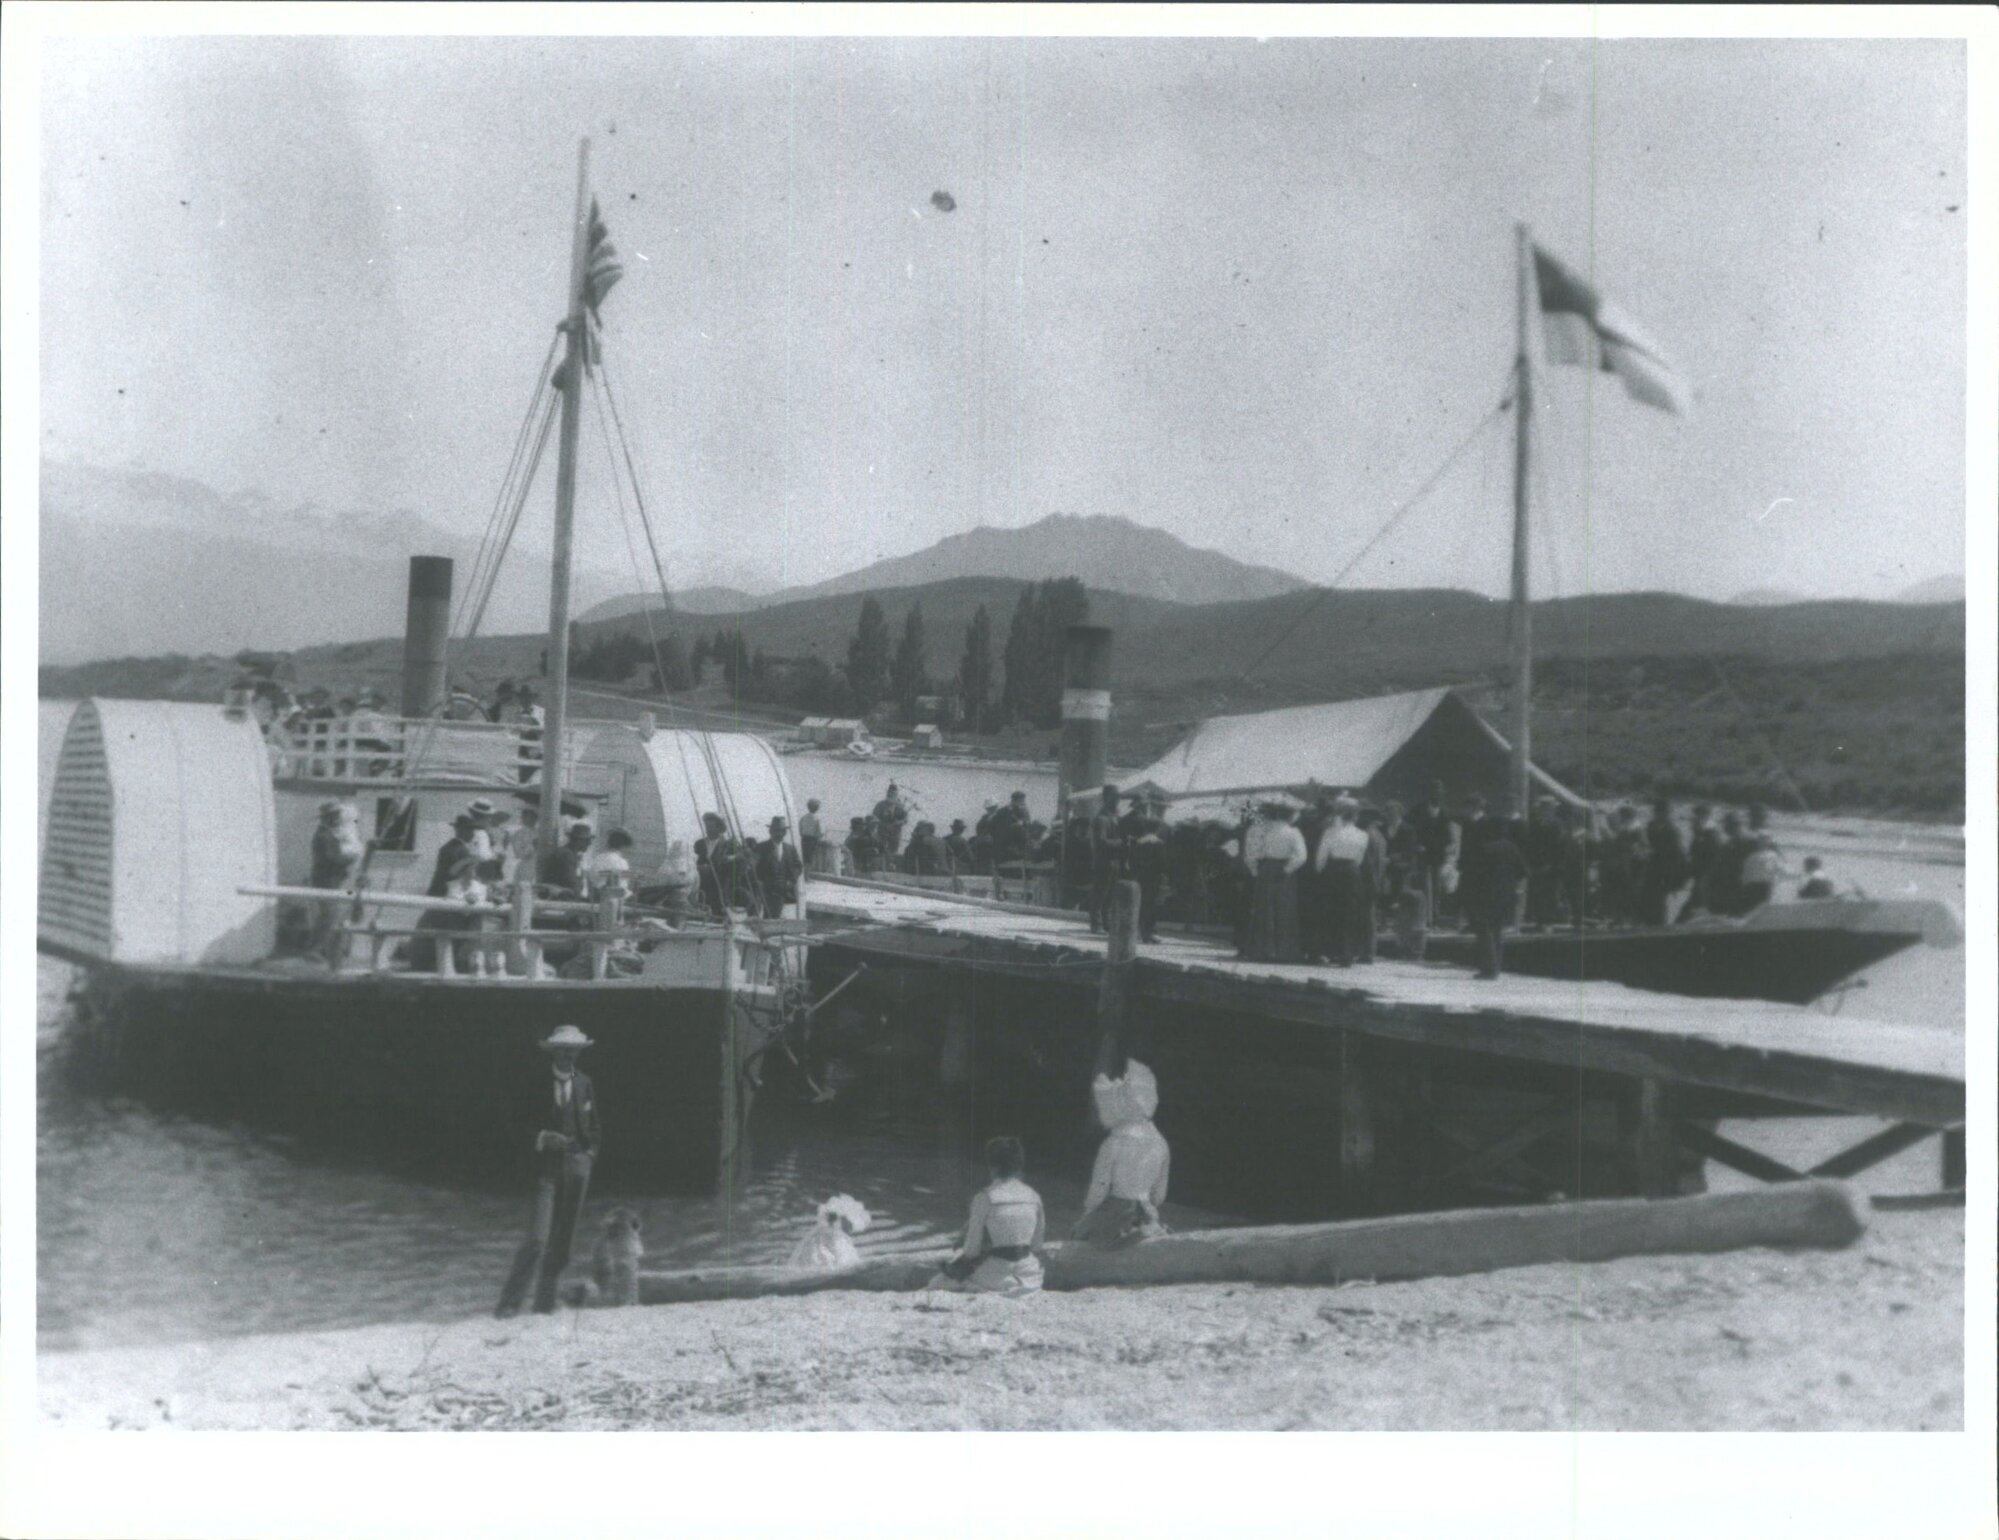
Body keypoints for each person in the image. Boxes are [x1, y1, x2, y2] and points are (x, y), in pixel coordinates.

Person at [496, 1025, 602, 1317]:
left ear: (578, 1054)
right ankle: (509, 1304)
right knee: (537, 1239)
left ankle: (545, 1304)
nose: (568, 1055)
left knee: (563, 1242)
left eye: (573, 1051)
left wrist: (589, 1154)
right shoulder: (534, 1083)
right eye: (563, 1050)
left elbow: (594, 1125)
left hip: (577, 1168)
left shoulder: (584, 1083)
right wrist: (542, 1137)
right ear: (553, 1052)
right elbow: (514, 1124)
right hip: (544, 1169)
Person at [929, 1135, 1046, 1296]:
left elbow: (971, 1251)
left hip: (997, 1277)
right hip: (1030, 1275)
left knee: (936, 1283)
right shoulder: (1034, 1196)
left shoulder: (985, 1198)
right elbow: (1037, 1246)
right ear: (1019, 1165)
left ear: (992, 1166)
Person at [1072, 1060, 1170, 1247]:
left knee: (1078, 1234)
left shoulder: (1113, 1143)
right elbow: (1159, 1196)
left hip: (1118, 1214)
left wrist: (1087, 1216)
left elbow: (1098, 1191)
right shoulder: (1162, 1144)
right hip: (1147, 1214)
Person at [1459, 794, 1526, 979]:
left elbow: (1476, 874)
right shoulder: (1511, 847)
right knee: (1497, 930)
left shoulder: (1484, 849)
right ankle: (1497, 965)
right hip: (1506, 895)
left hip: (1485, 894)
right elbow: (1522, 872)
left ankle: (1489, 968)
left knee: (1484, 930)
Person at [1240, 802, 1308, 962]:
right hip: (1285, 872)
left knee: (1264, 909)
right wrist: (1288, 869)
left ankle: (1261, 950)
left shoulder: (1260, 830)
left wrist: (1255, 871)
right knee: (1285, 909)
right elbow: (1301, 856)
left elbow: (1250, 853)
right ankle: (1284, 952)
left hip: (1266, 868)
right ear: (1291, 816)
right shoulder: (1293, 832)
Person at [1311, 796, 1369, 966]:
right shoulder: (1362, 835)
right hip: (1352, 871)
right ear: (1355, 816)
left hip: (1333, 871)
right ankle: (1346, 954)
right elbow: (1359, 858)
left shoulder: (1330, 832)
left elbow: (1321, 857)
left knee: (1328, 912)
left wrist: (1320, 870)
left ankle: (1325, 952)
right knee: (1350, 913)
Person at [307, 800, 364, 962]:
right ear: (328, 818)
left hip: (330, 879)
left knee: (331, 914)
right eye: (334, 815)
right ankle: (315, 949)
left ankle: (325, 949)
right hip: (326, 880)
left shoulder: (329, 833)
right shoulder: (327, 836)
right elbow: (336, 857)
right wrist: (352, 859)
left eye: (337, 815)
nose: (337, 818)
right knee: (329, 915)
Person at [1408, 780, 1458, 923]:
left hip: (1437, 854)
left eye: (1440, 793)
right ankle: (1423, 915)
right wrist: (1416, 845)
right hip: (1422, 854)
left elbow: (1448, 835)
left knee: (1436, 885)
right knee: (1423, 884)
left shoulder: (1444, 812)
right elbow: (1409, 829)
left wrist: (1448, 846)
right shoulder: (1417, 810)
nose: (1438, 795)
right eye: (1435, 792)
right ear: (1429, 794)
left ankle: (1434, 915)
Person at [1123, 794, 1169, 943]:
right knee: (1151, 905)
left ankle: (1137, 932)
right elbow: (1163, 863)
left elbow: (1131, 860)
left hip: (1139, 877)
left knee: (1140, 904)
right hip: (1154, 878)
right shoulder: (1158, 843)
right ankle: (1148, 933)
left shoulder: (1138, 843)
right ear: (1157, 829)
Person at [1638, 797, 1690, 927]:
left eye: (1666, 812)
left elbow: (1680, 856)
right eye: (1659, 812)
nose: (1663, 815)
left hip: (1666, 873)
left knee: (1661, 907)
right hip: (1651, 871)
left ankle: (1660, 930)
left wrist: (1678, 881)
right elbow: (1647, 844)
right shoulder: (1651, 826)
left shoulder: (1673, 831)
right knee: (1648, 902)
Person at [1085, 786, 1126, 934]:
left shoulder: (1114, 818)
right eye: (1113, 797)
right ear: (1106, 797)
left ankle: (1107, 924)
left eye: (1118, 797)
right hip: (1103, 862)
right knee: (1100, 894)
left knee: (1110, 895)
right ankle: (1096, 925)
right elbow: (1101, 842)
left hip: (1114, 861)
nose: (1117, 800)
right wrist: (1121, 842)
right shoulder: (1101, 819)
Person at [1356, 805, 1389, 964]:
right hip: (1377, 879)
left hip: (1367, 880)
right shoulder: (1380, 836)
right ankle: (1368, 952)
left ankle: (1366, 953)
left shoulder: (1367, 835)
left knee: (1366, 918)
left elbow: (1368, 863)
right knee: (1370, 917)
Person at [1524, 797, 1565, 926]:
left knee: (1551, 892)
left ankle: (1549, 919)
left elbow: (1558, 846)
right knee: (1536, 890)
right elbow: (1530, 844)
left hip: (1552, 863)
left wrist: (1551, 863)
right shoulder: (1534, 824)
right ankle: (1538, 918)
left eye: (1548, 808)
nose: (1545, 810)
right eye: (1543, 808)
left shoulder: (1557, 824)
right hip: (1536, 862)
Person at [755, 816, 803, 916]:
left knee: (782, 920)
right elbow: (753, 866)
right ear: (770, 831)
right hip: (766, 892)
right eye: (776, 831)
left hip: (784, 892)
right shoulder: (761, 847)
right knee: (766, 918)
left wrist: (792, 880)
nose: (779, 834)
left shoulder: (790, 849)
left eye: (782, 831)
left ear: (785, 833)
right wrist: (759, 881)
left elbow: (798, 866)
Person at [1683, 803, 1723, 921]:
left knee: (1694, 908)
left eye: (1697, 816)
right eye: (1695, 816)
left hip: (1706, 877)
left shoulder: (1711, 834)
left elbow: (1715, 857)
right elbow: (1693, 852)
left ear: (1705, 817)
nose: (1694, 819)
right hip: (1700, 876)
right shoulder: (1700, 832)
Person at [426, 813, 481, 898]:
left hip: (440, 890)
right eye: (470, 830)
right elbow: (452, 873)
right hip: (445, 893)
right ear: (461, 830)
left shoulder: (450, 847)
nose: (473, 834)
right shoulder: (457, 849)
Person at [540, 819, 594, 898]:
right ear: (578, 840)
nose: (589, 844)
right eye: (587, 841)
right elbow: (571, 883)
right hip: (558, 899)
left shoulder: (570, 854)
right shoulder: (566, 855)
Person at [587, 828, 636, 900]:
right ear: (623, 846)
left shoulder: (598, 858)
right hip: (614, 896)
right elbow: (622, 884)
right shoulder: (620, 862)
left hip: (596, 893)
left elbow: (594, 876)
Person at [872, 782, 910, 862]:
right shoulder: (880, 805)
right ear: (887, 793)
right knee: (881, 850)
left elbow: (905, 819)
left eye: (893, 793)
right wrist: (883, 824)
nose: (891, 795)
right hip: (882, 833)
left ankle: (891, 865)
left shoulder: (900, 806)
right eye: (889, 793)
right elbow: (874, 817)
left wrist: (898, 822)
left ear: (896, 794)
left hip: (895, 834)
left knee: (893, 852)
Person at [798, 799, 825, 868]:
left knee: (804, 858)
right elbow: (821, 832)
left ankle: (804, 875)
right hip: (812, 840)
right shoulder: (817, 818)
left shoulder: (803, 817)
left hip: (804, 839)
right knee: (810, 859)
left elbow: (800, 830)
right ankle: (807, 876)